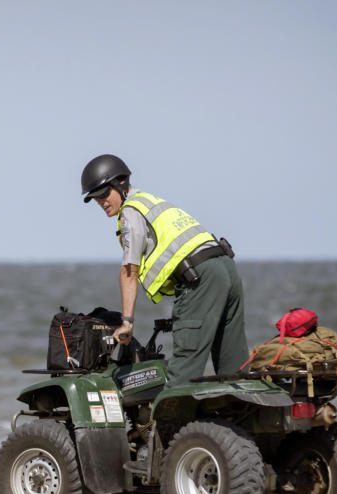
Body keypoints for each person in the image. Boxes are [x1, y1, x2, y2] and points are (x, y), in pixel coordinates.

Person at [80, 154, 248, 387]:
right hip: (226, 268)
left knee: (184, 369)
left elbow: (129, 270)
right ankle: (240, 415)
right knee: (234, 366)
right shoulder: (152, 202)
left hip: (199, 276)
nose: (101, 201)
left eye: (104, 194)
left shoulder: (130, 212)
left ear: (120, 184)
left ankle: (171, 423)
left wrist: (127, 322)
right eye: (95, 198)